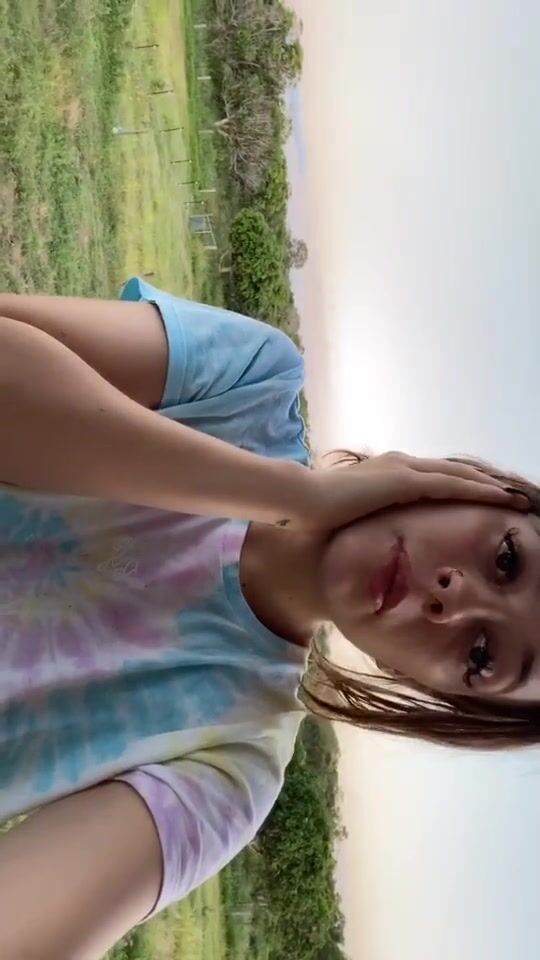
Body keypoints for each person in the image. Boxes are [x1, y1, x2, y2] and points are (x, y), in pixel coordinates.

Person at [0, 278, 534, 958]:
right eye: (507, 560)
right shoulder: (249, 382)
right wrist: (291, 495)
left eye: (482, 655)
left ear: (428, 686)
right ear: (488, 495)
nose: (453, 599)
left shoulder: (227, 776)